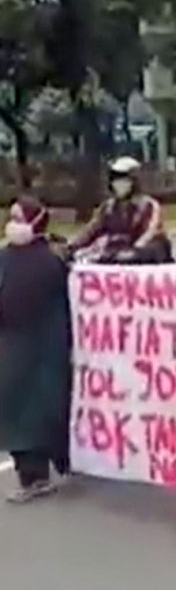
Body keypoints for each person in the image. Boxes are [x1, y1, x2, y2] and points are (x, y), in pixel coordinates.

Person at [0, 196, 72, 503]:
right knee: (15, 411)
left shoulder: (51, 260)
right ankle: (29, 475)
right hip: (12, 343)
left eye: (20, 218)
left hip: (45, 345)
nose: (13, 223)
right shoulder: (4, 257)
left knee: (43, 410)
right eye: (11, 217)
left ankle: (42, 474)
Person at [69, 156, 173, 264]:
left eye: (124, 180)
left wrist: (134, 251)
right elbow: (91, 229)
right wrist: (72, 246)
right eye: (115, 180)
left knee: (155, 247)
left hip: (143, 258)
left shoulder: (149, 205)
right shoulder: (108, 207)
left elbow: (150, 232)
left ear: (134, 182)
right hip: (117, 255)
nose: (118, 184)